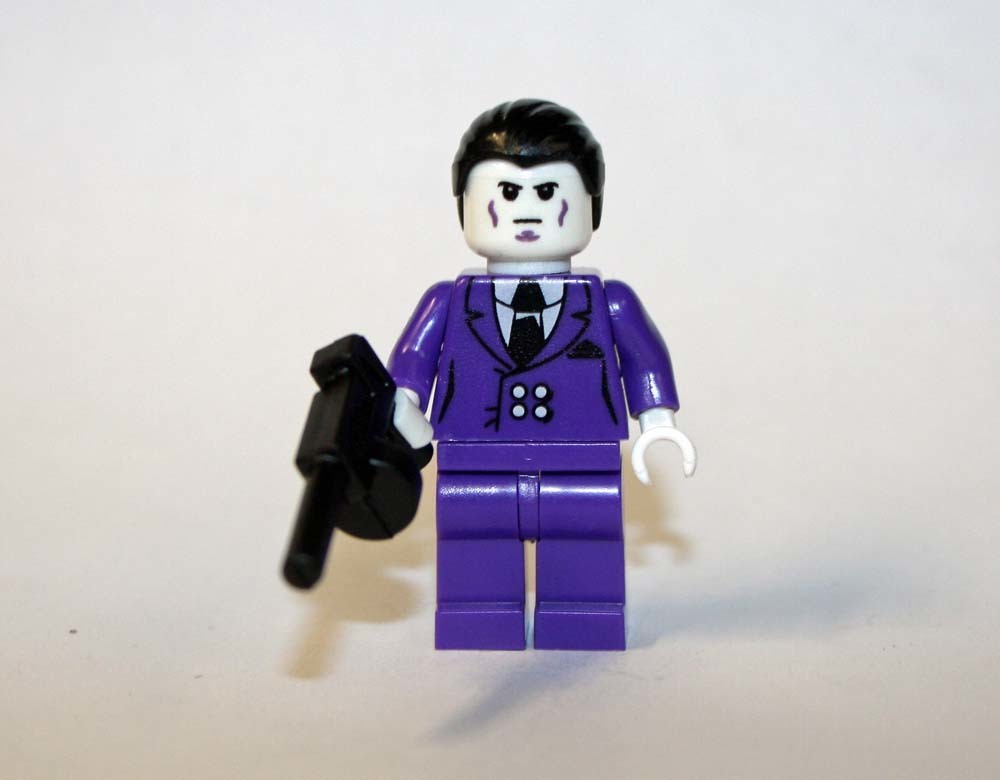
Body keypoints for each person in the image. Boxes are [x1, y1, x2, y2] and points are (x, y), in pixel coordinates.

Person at [387, 99, 696, 650]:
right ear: (465, 205)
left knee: (585, 541)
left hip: (582, 459)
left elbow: (643, 358)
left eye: (549, 191)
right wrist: (400, 409)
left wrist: (657, 421)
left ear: (591, 205)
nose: (527, 211)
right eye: (507, 192)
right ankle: (478, 618)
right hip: (474, 460)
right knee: (472, 544)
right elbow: (411, 367)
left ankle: (582, 617)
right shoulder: (448, 302)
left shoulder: (607, 302)